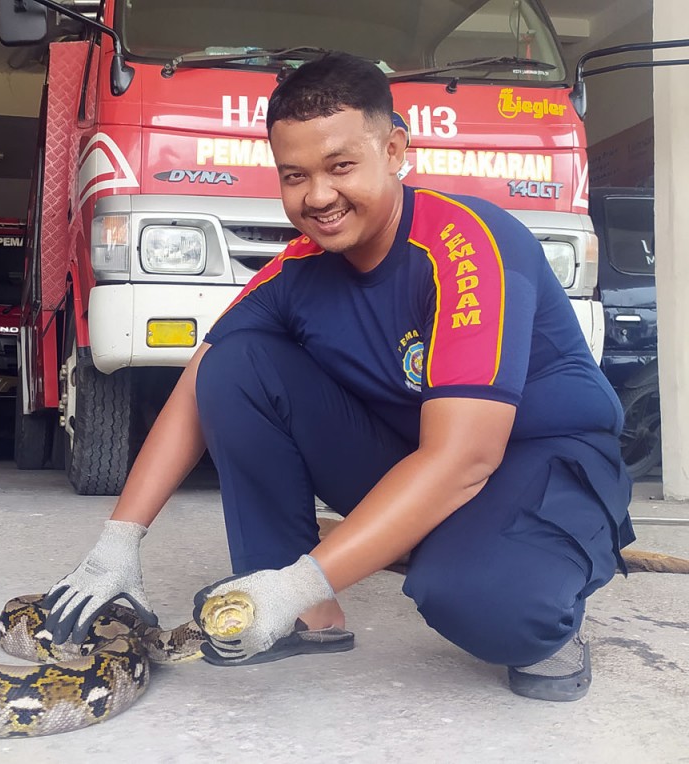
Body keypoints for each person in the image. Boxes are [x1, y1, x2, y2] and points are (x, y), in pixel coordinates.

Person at [43, 52, 634, 702]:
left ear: (395, 150)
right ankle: (304, 615)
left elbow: (466, 457)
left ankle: (547, 602)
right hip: (417, 455)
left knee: (484, 602)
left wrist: (305, 575)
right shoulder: (295, 273)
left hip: (541, 459)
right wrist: (118, 544)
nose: (317, 196)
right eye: (294, 175)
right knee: (233, 363)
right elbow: (196, 389)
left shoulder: (468, 249)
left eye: (340, 166)